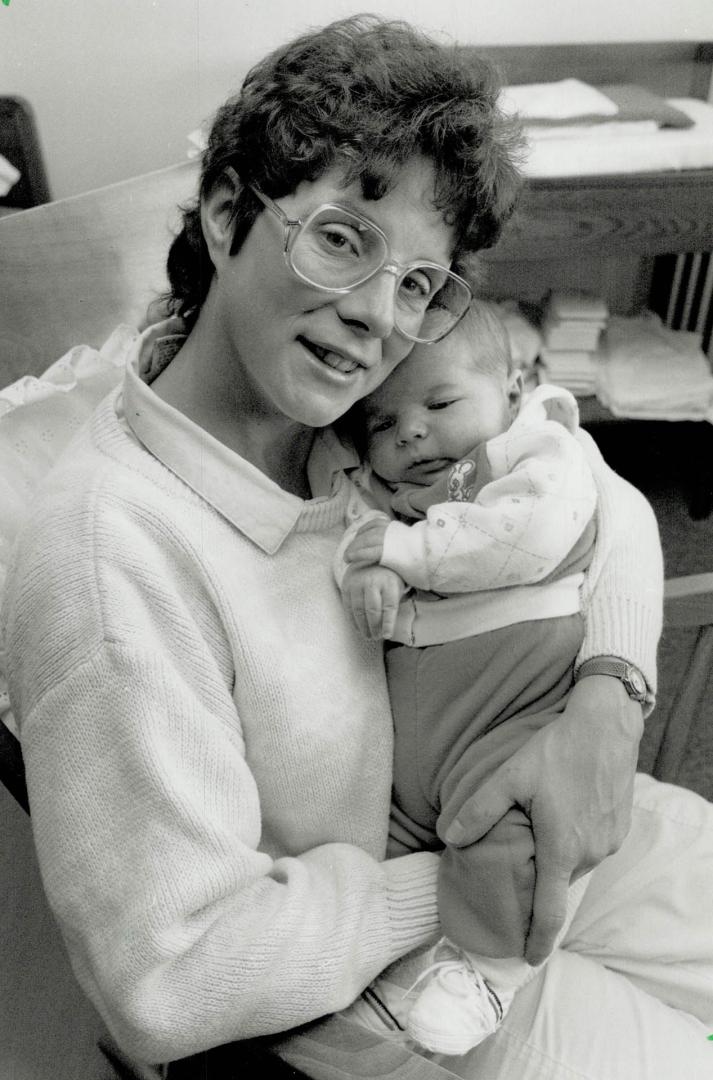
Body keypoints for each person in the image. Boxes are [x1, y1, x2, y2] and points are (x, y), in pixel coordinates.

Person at [2, 15, 712, 1080]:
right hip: (390, 961)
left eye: (418, 282)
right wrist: (459, 882)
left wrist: (608, 704)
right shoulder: (112, 557)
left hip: (530, 806)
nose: (377, 316)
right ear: (227, 210)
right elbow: (168, 979)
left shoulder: (349, 427)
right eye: (343, 238)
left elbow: (589, 495)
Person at [335, 301, 599, 1054]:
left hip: (507, 710)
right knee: (369, 846)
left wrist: (404, 554)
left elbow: (528, 534)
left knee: (505, 831)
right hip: (414, 735)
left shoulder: (535, 451)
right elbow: (355, 541)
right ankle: (390, 965)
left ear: (512, 389)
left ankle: (490, 973)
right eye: (380, 424)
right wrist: (364, 567)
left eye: (440, 403)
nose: (409, 431)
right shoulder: (389, 496)